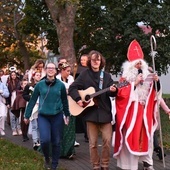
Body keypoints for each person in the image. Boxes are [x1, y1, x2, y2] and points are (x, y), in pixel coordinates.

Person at [113, 40, 161, 170]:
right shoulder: (124, 79)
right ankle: (129, 165)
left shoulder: (147, 79)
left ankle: (147, 163)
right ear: (130, 67)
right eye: (136, 64)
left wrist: (157, 82)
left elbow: (154, 93)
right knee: (131, 137)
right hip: (131, 115)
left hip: (144, 114)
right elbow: (121, 94)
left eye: (140, 64)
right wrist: (134, 83)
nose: (139, 66)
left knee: (147, 138)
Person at [68, 50, 118, 170]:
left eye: (98, 60)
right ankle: (95, 165)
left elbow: (112, 94)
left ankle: (105, 165)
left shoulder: (106, 76)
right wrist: (78, 99)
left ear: (101, 62)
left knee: (107, 141)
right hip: (90, 114)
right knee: (93, 143)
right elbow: (72, 88)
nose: (96, 62)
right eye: (94, 60)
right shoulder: (84, 75)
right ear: (90, 61)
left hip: (105, 113)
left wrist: (114, 91)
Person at [24, 62, 70, 170]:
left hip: (57, 116)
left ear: (55, 71)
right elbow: (32, 100)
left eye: (52, 68)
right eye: (48, 68)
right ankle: (46, 158)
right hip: (43, 116)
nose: (50, 70)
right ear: (45, 70)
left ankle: (54, 164)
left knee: (56, 141)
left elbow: (64, 101)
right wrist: (27, 115)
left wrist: (67, 115)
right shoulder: (40, 85)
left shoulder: (60, 85)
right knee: (44, 140)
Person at [56, 62, 76, 159]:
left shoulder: (71, 79)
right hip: (60, 107)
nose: (69, 73)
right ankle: (59, 151)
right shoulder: (56, 80)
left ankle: (69, 151)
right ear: (62, 70)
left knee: (70, 128)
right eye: (67, 71)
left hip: (71, 106)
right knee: (61, 129)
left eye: (69, 71)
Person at [23, 71, 41, 149]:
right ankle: (35, 141)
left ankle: (40, 140)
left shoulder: (42, 85)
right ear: (33, 76)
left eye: (40, 75)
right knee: (34, 124)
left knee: (41, 124)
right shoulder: (29, 86)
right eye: (37, 75)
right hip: (33, 106)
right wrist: (31, 98)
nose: (38, 77)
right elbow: (24, 95)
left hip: (40, 106)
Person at [75, 54, 89, 143]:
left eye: (84, 60)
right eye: (81, 60)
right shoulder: (79, 71)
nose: (82, 61)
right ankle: (86, 134)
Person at [6, 71, 22, 136]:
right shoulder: (8, 84)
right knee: (12, 116)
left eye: (14, 75)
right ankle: (14, 129)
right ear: (10, 76)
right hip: (11, 100)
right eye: (12, 75)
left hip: (17, 100)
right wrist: (7, 103)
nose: (13, 76)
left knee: (18, 116)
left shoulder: (18, 82)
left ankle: (19, 128)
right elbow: (7, 94)